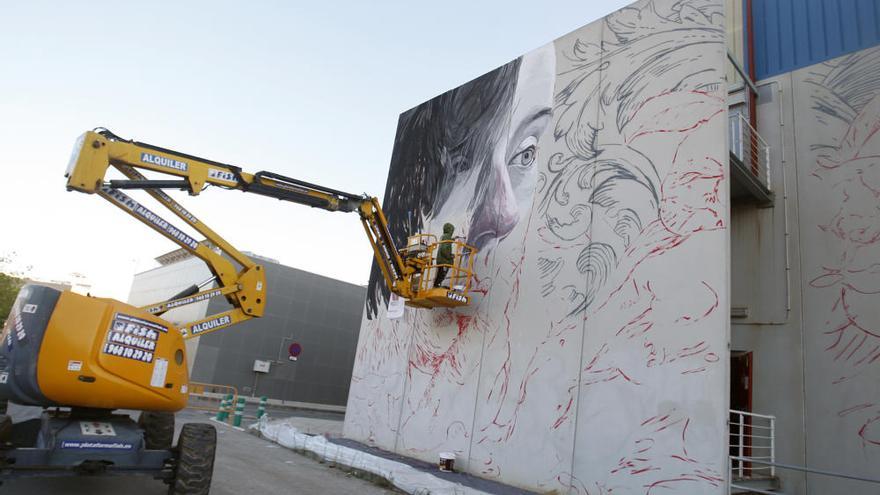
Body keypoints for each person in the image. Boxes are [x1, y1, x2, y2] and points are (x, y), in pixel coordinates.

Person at [434, 223, 455, 288]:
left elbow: (444, 245)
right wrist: (450, 256)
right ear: (450, 230)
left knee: (440, 274)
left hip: (441, 260)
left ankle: (437, 285)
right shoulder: (447, 236)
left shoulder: (443, 236)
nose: (452, 231)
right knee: (442, 275)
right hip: (445, 261)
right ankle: (437, 285)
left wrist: (451, 240)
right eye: (452, 230)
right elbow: (444, 249)